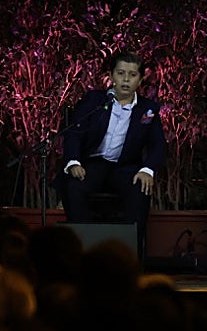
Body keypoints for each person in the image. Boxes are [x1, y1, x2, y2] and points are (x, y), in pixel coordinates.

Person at [61, 51, 167, 249]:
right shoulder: (94, 101)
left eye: (132, 75)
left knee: (140, 187)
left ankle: (130, 252)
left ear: (140, 80)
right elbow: (74, 132)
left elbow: (158, 144)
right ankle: (84, 248)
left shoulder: (148, 109)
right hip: (94, 163)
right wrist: (73, 161)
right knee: (74, 186)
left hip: (125, 166)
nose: (126, 79)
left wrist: (148, 170)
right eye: (120, 73)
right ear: (111, 76)